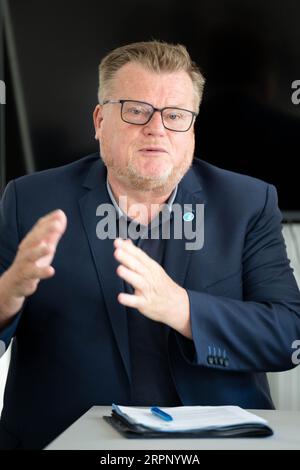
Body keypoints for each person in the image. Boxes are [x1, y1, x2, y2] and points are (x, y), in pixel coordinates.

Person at [0, 41, 300, 449]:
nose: (156, 127)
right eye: (136, 110)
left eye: (175, 115)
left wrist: (183, 309)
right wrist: (7, 294)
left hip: (214, 446)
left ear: (191, 128)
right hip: (64, 441)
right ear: (100, 119)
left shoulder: (247, 203)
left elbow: (287, 337)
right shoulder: (30, 200)